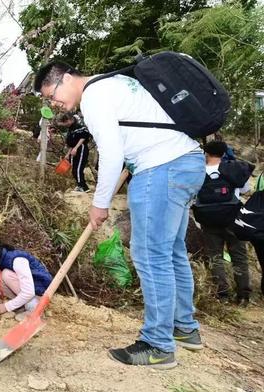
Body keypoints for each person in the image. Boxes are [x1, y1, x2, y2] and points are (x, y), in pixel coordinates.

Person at [34, 61, 205, 369]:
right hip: (186, 162)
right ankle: (184, 327)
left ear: (68, 78)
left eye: (53, 94)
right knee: (172, 252)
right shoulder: (115, 84)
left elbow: (111, 153)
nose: (54, 103)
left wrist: (99, 203)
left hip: (161, 169)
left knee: (151, 256)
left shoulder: (95, 95)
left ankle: (157, 345)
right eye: (49, 100)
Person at [194, 140, 253, 306]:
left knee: (215, 257)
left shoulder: (198, 172)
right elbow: (245, 190)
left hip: (208, 221)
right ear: (224, 153)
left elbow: (193, 195)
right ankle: (243, 296)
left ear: (206, 153)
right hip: (233, 220)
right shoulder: (234, 169)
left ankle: (223, 296)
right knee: (239, 257)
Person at [0, 239, 52, 320]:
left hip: (40, 289)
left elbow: (29, 292)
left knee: (5, 274)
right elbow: (0, 285)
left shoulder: (17, 261)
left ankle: (33, 307)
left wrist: (6, 307)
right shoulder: (2, 261)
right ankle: (22, 305)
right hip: (30, 290)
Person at [56, 112, 92, 192]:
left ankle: (83, 187)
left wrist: (76, 148)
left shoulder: (79, 126)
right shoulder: (70, 129)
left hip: (81, 148)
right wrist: (68, 154)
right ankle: (80, 185)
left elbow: (83, 137)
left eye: (65, 122)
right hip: (74, 149)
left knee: (78, 168)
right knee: (74, 169)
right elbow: (72, 143)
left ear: (70, 120)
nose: (65, 125)